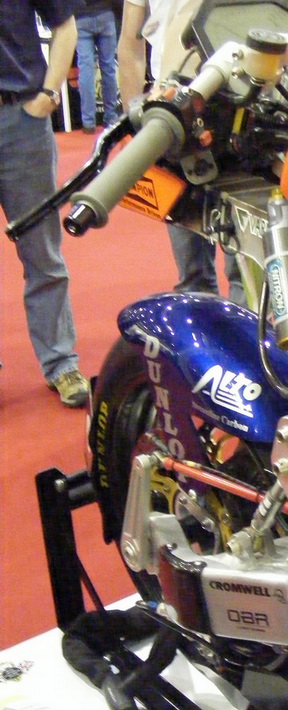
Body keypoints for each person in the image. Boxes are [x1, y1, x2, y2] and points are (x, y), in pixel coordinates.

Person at [117, 0, 245, 303]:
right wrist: (134, 120)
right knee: (192, 268)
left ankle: (247, 329)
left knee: (244, 264)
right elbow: (130, 43)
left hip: (241, 107)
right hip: (174, 111)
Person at [0, 2, 89, 408]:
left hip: (21, 120)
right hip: (23, 119)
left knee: (42, 251)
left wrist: (50, 94)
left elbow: (65, 25)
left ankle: (60, 363)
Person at [74, 0, 119, 134]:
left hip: (80, 17)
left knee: (85, 70)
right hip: (106, 13)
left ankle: (88, 122)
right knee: (109, 69)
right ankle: (111, 117)